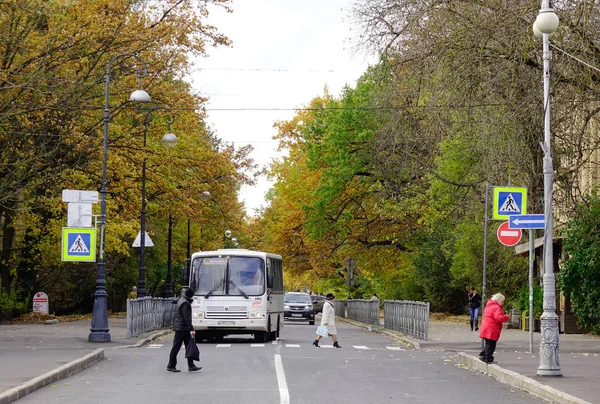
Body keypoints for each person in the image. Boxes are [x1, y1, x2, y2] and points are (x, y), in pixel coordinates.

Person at [167, 287, 202, 372]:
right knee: (176, 347)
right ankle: (171, 365)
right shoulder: (185, 303)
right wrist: (191, 328)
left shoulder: (182, 300)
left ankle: (191, 365)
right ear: (191, 296)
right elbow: (186, 318)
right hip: (182, 328)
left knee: (188, 346)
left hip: (182, 327)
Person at [478, 293, 510, 364]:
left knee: (488, 343)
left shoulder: (489, 306)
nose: (503, 303)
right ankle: (488, 358)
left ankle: (483, 355)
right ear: (497, 300)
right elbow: (499, 318)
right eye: (502, 301)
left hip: (486, 328)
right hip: (491, 329)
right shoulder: (496, 307)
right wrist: (506, 317)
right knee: (491, 345)